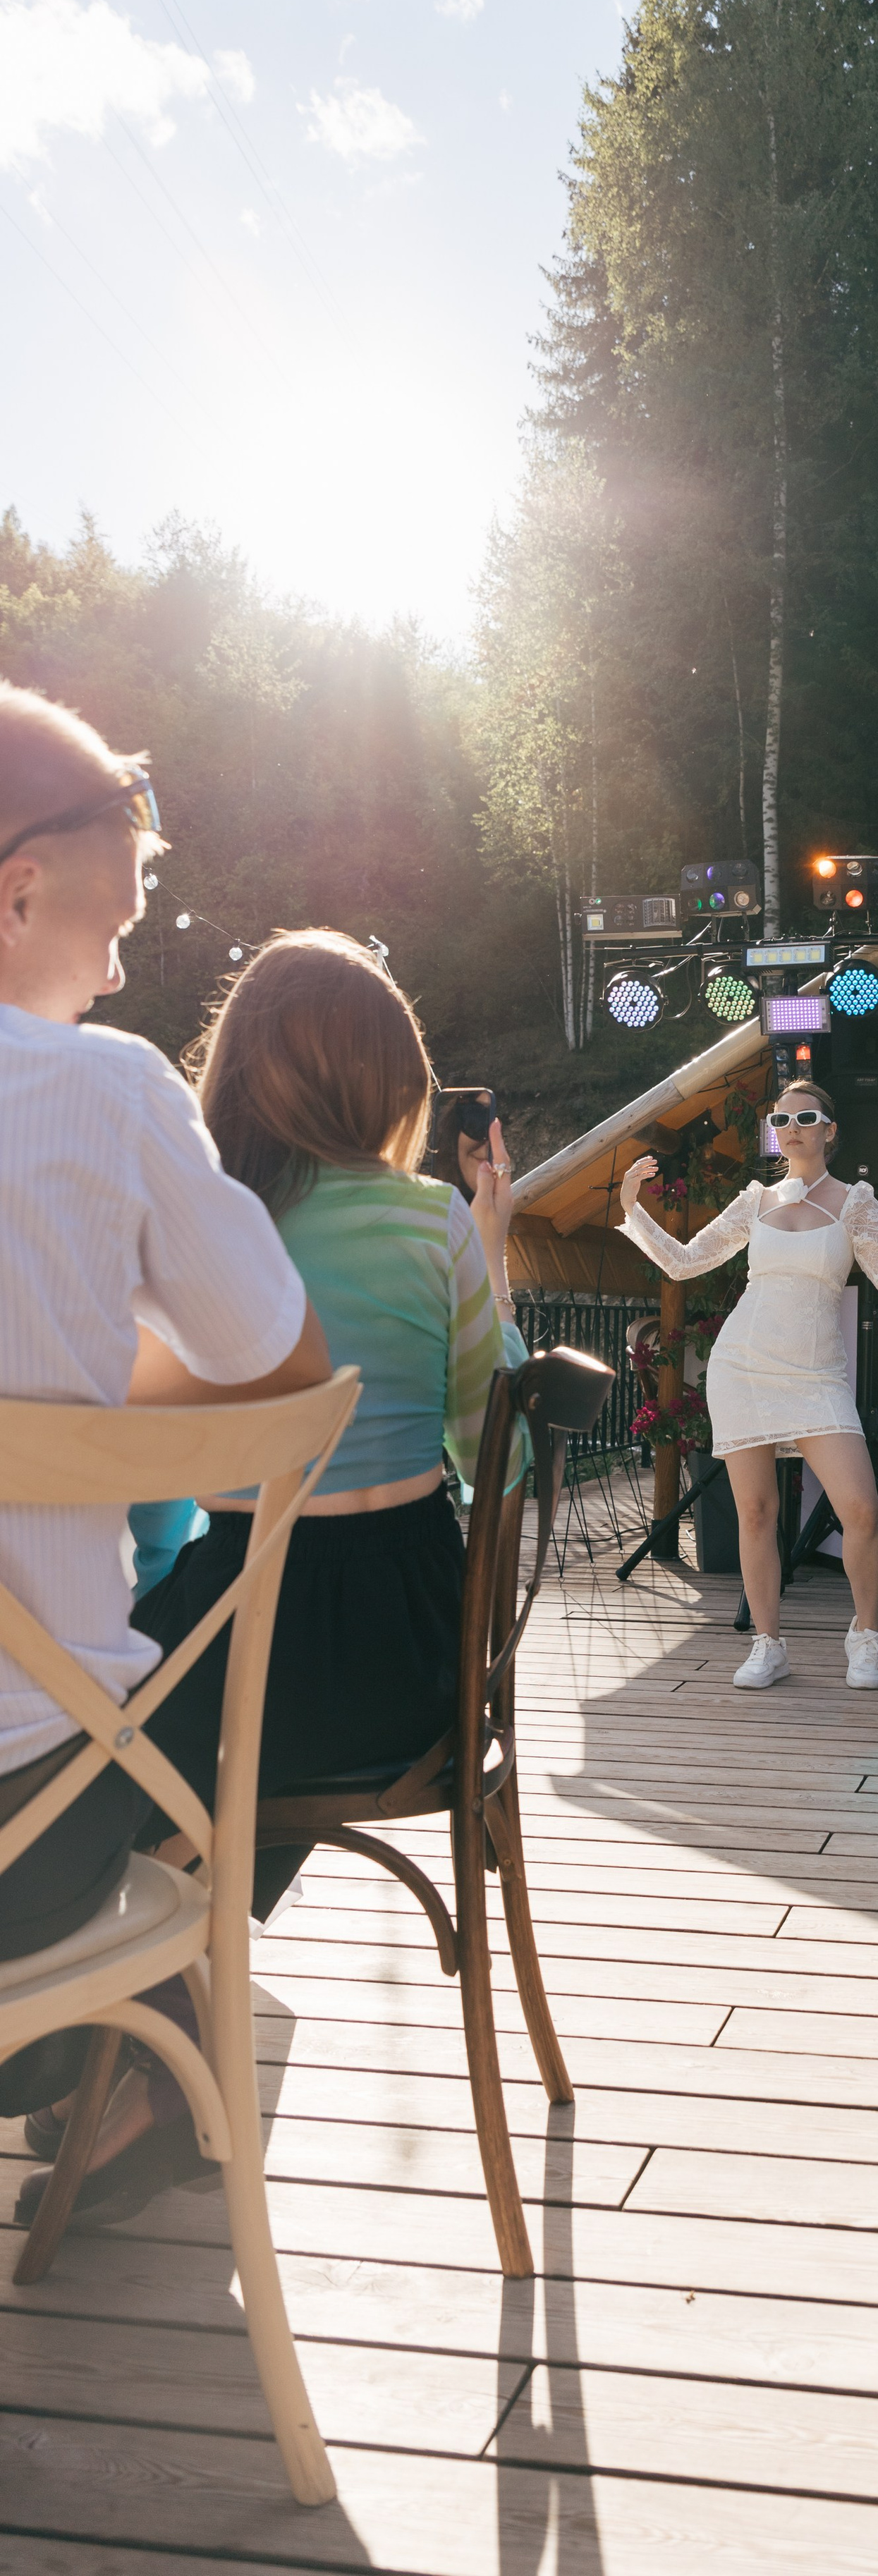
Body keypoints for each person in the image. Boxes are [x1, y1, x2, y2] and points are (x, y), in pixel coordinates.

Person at [16, 929, 528, 2230]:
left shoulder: (212, 1238)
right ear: (394, 1083)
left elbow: (146, 1465)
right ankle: (135, 2070)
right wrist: (494, 1247)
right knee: (194, 1778)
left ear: (238, 1077)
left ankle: (116, 2061)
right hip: (417, 1663)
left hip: (244, 1634)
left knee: (100, 1769)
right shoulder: (435, 1225)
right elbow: (493, 1435)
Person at [0, 682, 330, 2209]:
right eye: (120, 914)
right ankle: (117, 2072)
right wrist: (77, 1427)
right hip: (24, 1850)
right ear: (19, 890)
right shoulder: (102, 1087)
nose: (130, 956)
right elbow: (287, 1380)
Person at [618, 1080, 878, 1690]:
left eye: (806, 1116)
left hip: (816, 1374)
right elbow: (681, 1261)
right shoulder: (756, 1200)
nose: (793, 1126)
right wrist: (631, 1206)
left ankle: (865, 1638)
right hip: (743, 1367)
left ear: (830, 1130)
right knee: (755, 1511)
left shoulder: (857, 1202)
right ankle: (767, 1644)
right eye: (781, 1118)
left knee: (859, 1509)